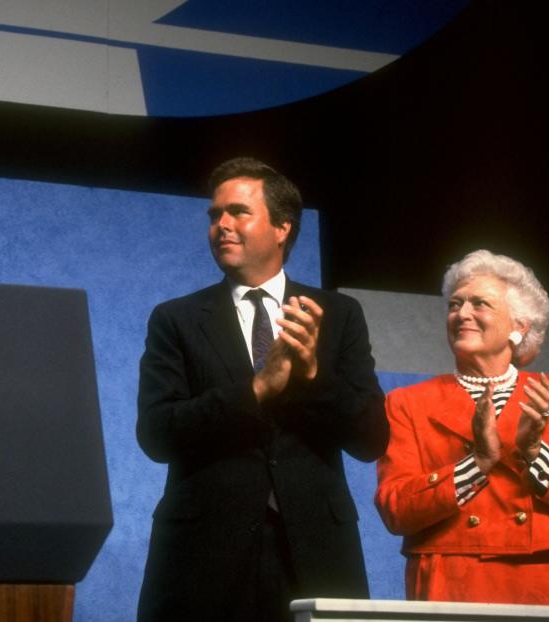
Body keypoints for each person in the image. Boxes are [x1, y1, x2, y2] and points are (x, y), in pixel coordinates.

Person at [136, 157, 388, 621]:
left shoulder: (338, 314)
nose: (221, 225)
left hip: (316, 553)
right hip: (203, 557)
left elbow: (371, 439)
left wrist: (312, 376)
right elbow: (157, 434)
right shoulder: (176, 319)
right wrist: (256, 389)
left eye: (237, 212)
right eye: (215, 216)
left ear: (282, 228)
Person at [376, 250, 549, 604]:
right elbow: (395, 509)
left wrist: (535, 456)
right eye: (455, 305)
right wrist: (478, 463)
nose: (463, 314)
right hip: (450, 579)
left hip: (543, 575)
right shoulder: (407, 403)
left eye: (480, 304)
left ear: (519, 327)